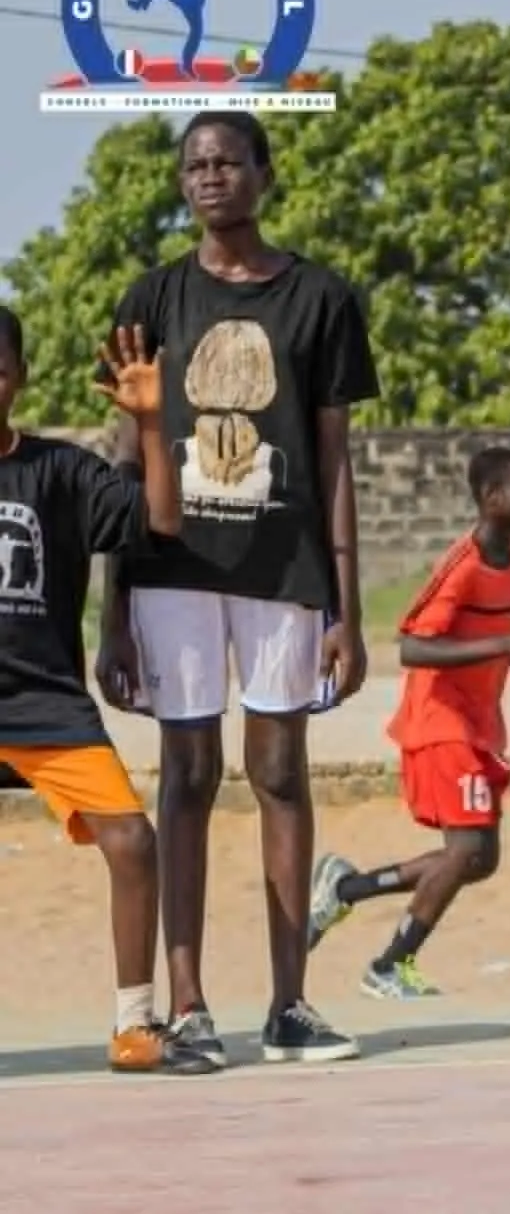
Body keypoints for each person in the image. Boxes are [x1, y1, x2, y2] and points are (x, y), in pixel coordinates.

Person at [95, 109, 378, 1070]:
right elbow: (127, 456)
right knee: (186, 776)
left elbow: (334, 461)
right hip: (171, 571)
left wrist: (346, 607)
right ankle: (189, 1006)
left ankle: (290, 1004)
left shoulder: (321, 298)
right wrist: (113, 613)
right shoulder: (153, 296)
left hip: (283, 566)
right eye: (195, 165)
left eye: (227, 161)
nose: (210, 176)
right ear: (183, 183)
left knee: (281, 773)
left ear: (264, 173)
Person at [0, 308, 209, 1073]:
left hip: (44, 701)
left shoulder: (58, 472)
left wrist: (152, 422)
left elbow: (161, 519)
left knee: (133, 841)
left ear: (20, 378)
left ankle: (133, 1026)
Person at [304, 447, 510, 998]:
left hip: (480, 721)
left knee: (479, 860)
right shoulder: (462, 565)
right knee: (464, 852)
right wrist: (506, 645)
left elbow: (481, 639)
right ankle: (389, 965)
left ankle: (346, 890)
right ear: (491, 498)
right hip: (441, 721)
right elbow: (414, 648)